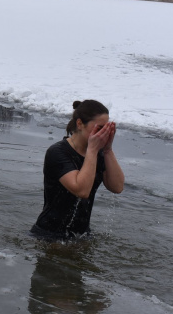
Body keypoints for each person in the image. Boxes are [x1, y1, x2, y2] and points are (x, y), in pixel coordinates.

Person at [32, 99, 124, 239]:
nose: (103, 134)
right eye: (100, 128)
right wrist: (92, 150)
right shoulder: (57, 152)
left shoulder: (99, 153)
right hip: (49, 236)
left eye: (107, 129)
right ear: (80, 124)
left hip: (81, 236)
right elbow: (81, 190)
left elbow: (117, 187)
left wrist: (107, 150)